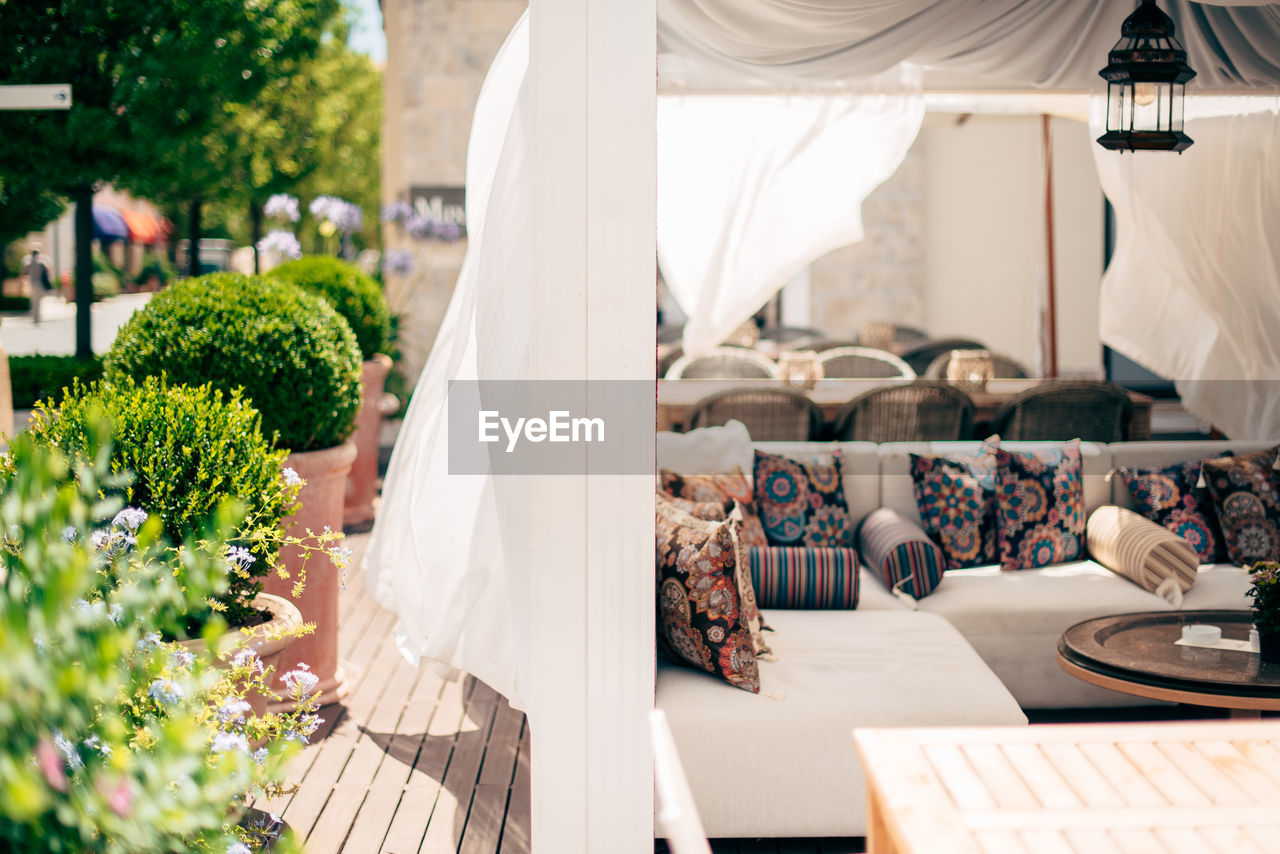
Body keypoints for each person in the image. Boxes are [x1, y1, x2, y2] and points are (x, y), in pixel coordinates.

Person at [24, 247, 52, 325]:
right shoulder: (41, 262)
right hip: (40, 283)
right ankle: (38, 317)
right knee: (39, 301)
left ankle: (34, 317)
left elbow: (24, 272)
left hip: (32, 283)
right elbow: (48, 269)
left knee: (33, 301)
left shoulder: (29, 263)